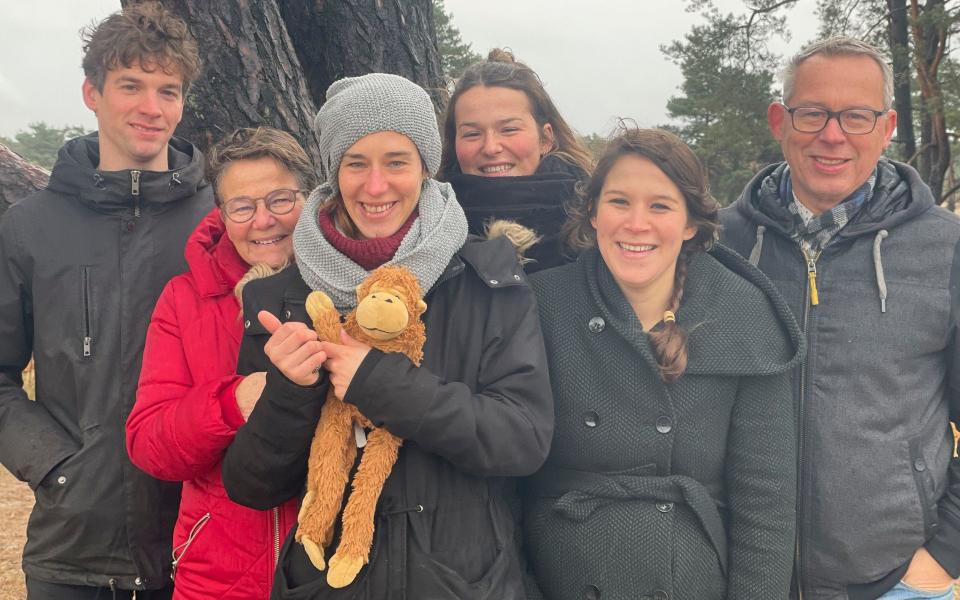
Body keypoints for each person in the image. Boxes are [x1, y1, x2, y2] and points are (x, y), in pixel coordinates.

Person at [220, 73, 554, 599]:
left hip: (465, 585)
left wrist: (378, 381)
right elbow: (252, 485)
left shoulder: (487, 278)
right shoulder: (279, 298)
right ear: (333, 172)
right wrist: (289, 392)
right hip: (327, 584)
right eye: (356, 163)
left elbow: (521, 440)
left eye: (396, 161)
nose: (376, 187)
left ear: (425, 166)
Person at [720, 36, 960, 600]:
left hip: (896, 580)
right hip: (741, 575)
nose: (833, 135)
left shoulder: (947, 249)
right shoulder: (717, 242)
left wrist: (945, 554)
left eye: (856, 116)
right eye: (813, 113)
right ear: (780, 119)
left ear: (888, 125)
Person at [525, 128, 802, 599]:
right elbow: (502, 481)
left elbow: (766, 505)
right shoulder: (542, 304)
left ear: (691, 222)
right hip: (557, 574)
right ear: (592, 213)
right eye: (618, 202)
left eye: (660, 206)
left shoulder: (742, 313)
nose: (636, 224)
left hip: (690, 578)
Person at [0, 3, 210, 599]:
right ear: (92, 93)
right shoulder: (28, 227)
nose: (151, 107)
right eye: (131, 86)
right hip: (71, 554)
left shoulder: (220, 222)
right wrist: (54, 466)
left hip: (198, 547)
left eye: (168, 90)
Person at [126, 127, 315, 599]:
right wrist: (233, 402)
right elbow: (149, 442)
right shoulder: (186, 300)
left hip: (337, 567)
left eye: (280, 200)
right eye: (243, 207)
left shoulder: (353, 283)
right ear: (222, 215)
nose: (263, 221)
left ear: (310, 199)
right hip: (218, 573)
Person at [438, 49, 593, 272]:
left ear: (546, 138)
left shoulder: (596, 225)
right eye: (472, 134)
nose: (491, 147)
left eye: (509, 129)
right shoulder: (426, 234)